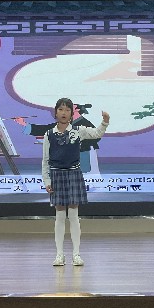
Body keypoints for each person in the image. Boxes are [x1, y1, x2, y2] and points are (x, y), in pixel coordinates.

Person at [42, 97, 110, 266]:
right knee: (59, 216)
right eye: (60, 109)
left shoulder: (78, 131)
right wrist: (47, 180)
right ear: (55, 113)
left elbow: (97, 133)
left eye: (67, 110)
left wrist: (105, 121)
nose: (63, 113)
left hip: (74, 173)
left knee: (73, 215)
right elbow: (45, 160)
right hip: (56, 175)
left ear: (72, 114)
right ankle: (59, 255)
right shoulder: (49, 134)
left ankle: (76, 254)